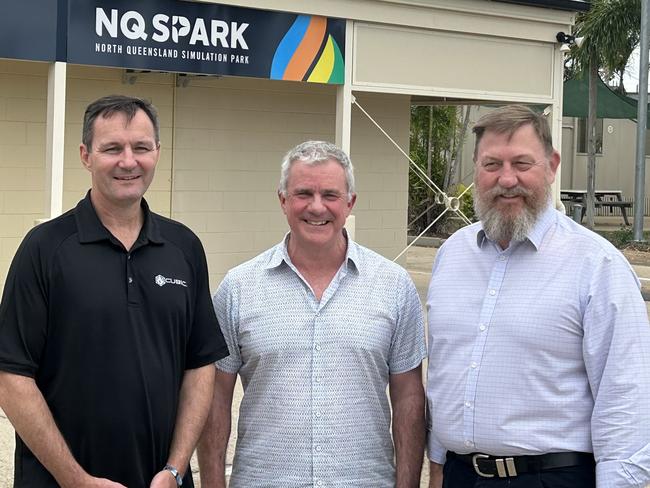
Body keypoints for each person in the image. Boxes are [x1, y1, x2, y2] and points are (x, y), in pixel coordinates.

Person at [0, 95, 229, 488]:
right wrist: (76, 480)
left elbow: (199, 365)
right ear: (86, 155)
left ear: (157, 152)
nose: (128, 161)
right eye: (112, 148)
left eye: (141, 147)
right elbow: (11, 376)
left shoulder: (184, 248)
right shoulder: (44, 248)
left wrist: (175, 469)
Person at [426, 105, 650, 488]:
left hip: (553, 477)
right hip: (462, 475)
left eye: (522, 164)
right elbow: (445, 374)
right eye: (492, 164)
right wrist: (438, 466)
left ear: (551, 165)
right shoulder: (452, 255)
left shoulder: (596, 266)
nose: (507, 179)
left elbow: (626, 402)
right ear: (476, 167)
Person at [197, 140, 427, 487]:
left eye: (331, 195)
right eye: (303, 193)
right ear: (282, 200)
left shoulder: (394, 286)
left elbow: (409, 396)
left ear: (350, 202)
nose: (317, 207)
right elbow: (215, 398)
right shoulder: (239, 288)